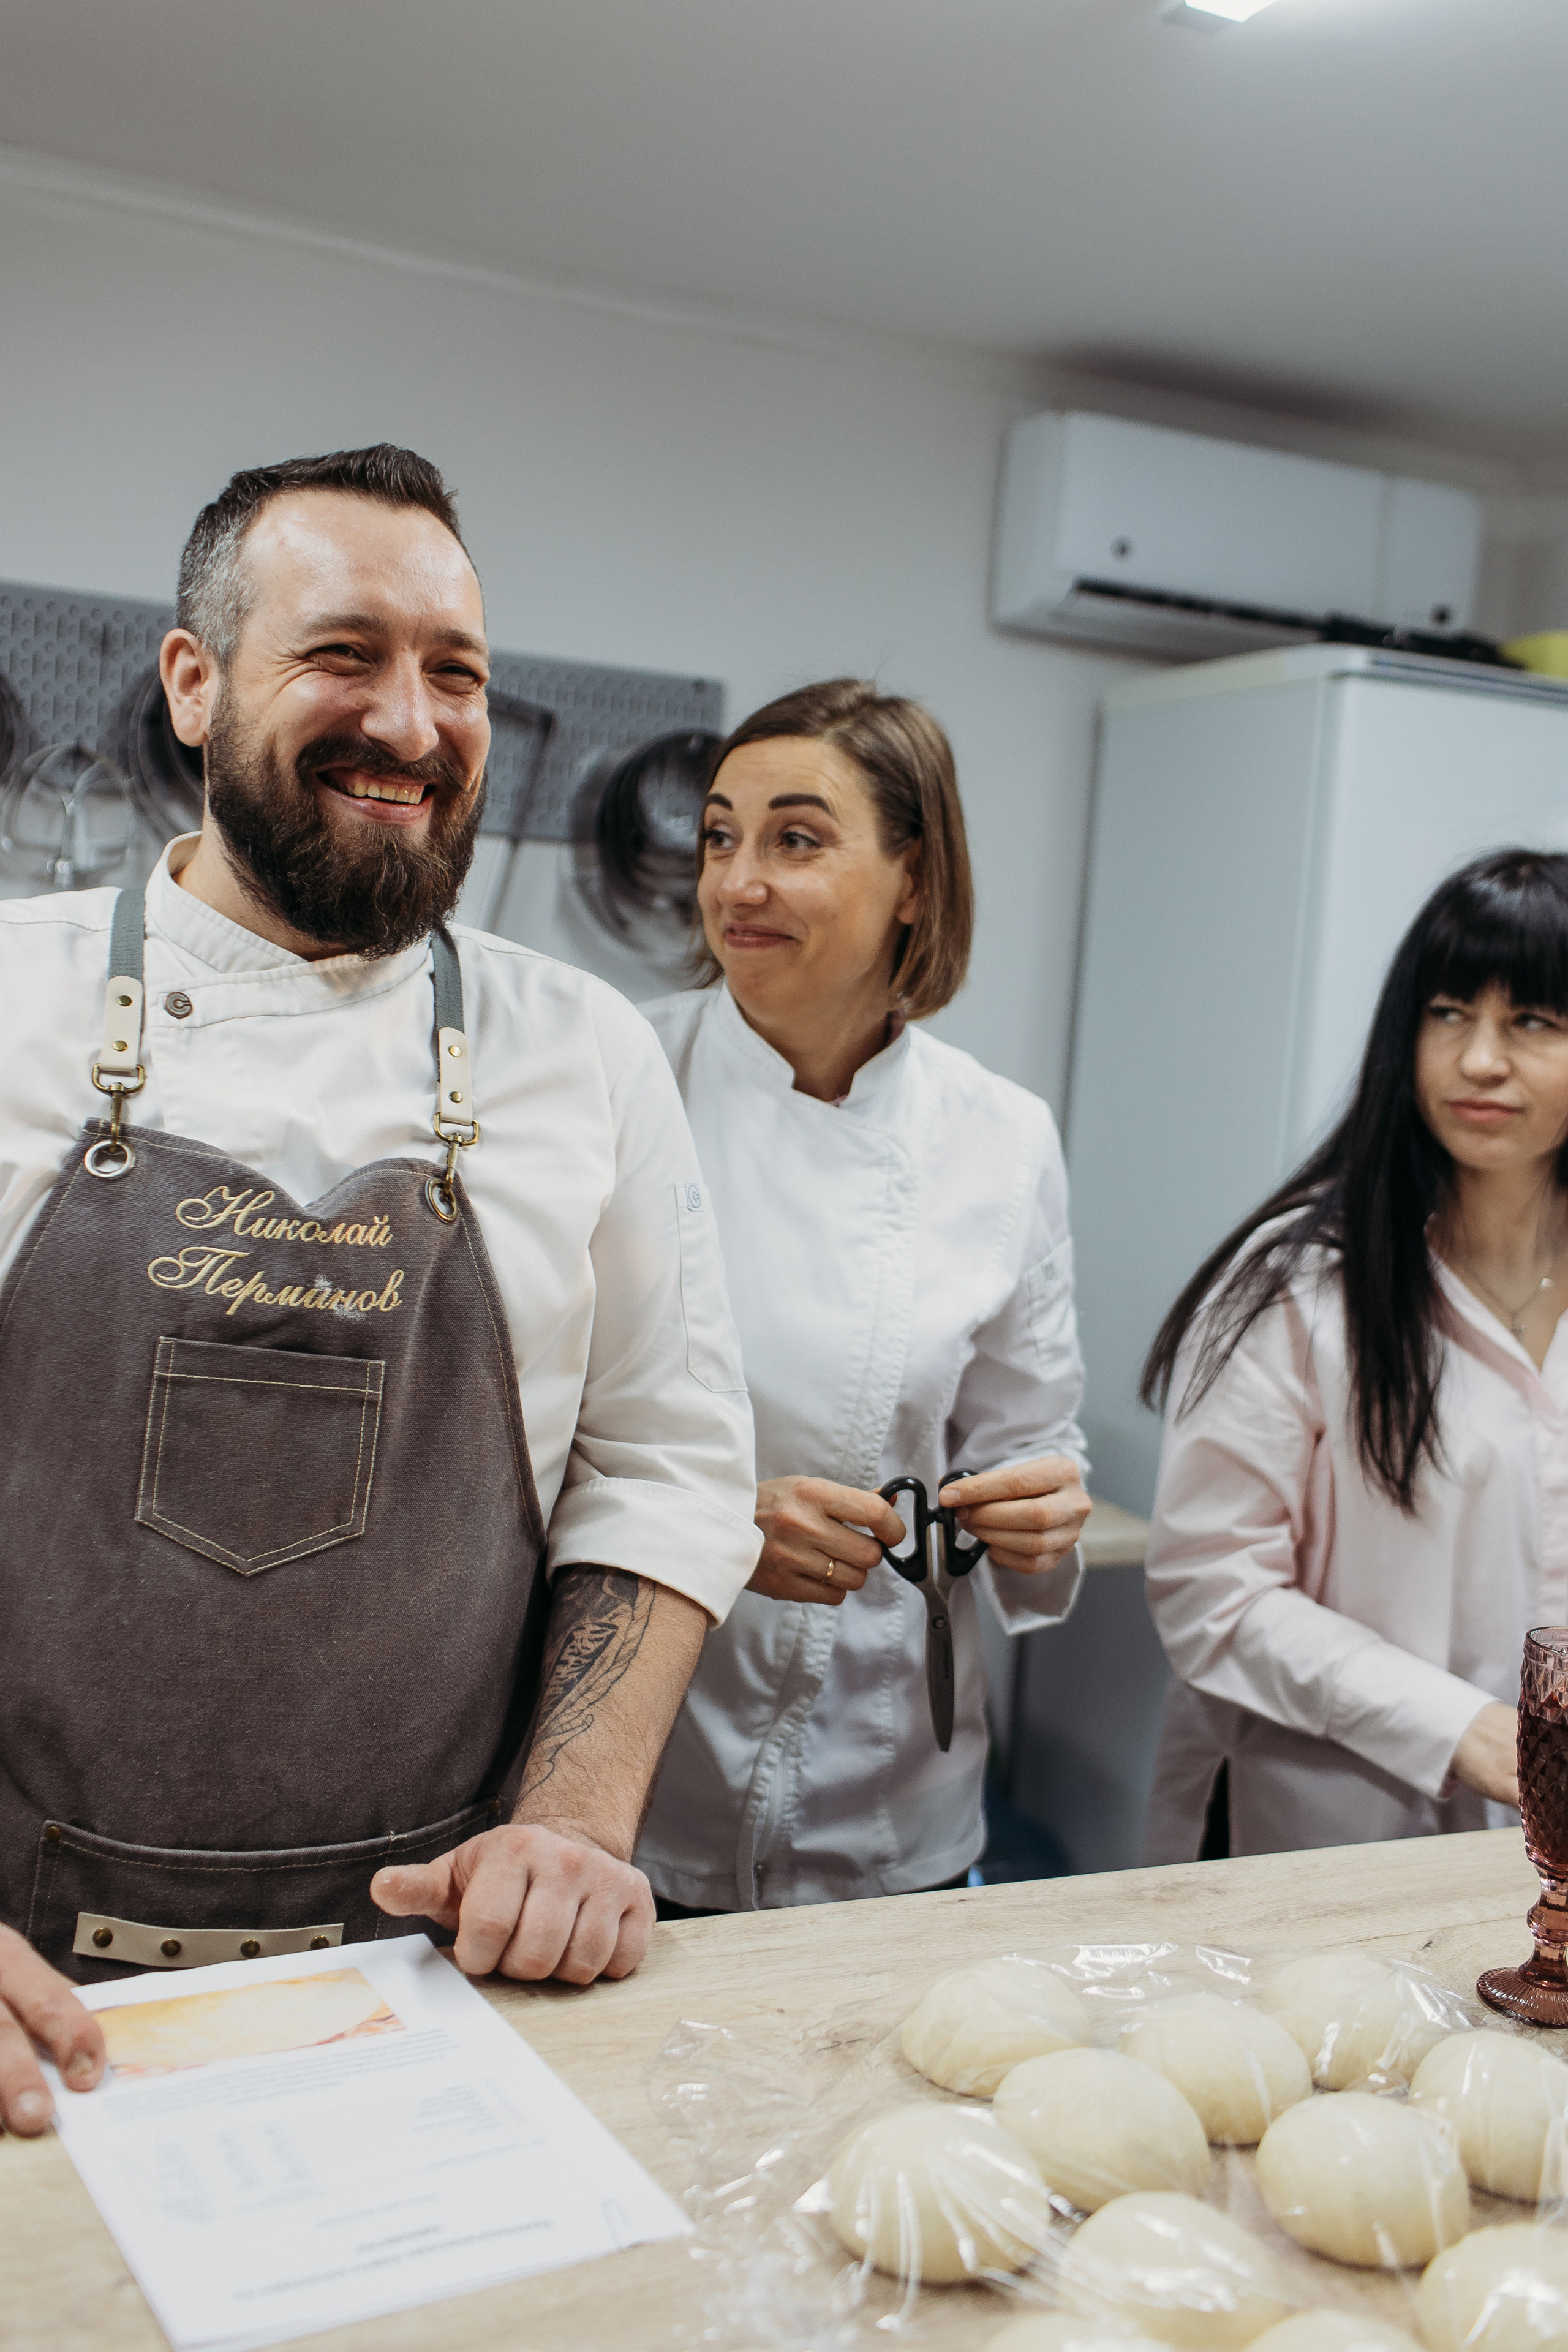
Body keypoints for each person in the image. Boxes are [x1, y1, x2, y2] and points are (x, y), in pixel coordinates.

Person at [0, 445, 761, 2136]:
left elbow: (664, 1465)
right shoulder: (9, 1002)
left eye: (457, 674)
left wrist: (573, 1822)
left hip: (443, 1979)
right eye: (342, 655)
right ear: (193, 684)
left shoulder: (584, 1052)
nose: (412, 725)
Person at [633, 679, 1091, 1912]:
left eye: (795, 839)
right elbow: (502, 1437)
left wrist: (1041, 1515)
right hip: (640, 1781)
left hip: (898, 1788)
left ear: (915, 881)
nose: (737, 884)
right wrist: (721, 1526)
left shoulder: (1001, 1136)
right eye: (719, 837)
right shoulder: (618, 1081)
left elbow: (1029, 1438)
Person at [1139, 848, 1568, 1862]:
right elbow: (1214, 1591)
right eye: (1449, 1013)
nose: (1479, 1060)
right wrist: (1462, 1729)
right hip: (1322, 1833)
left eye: (1532, 1022)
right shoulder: (1298, 1285)